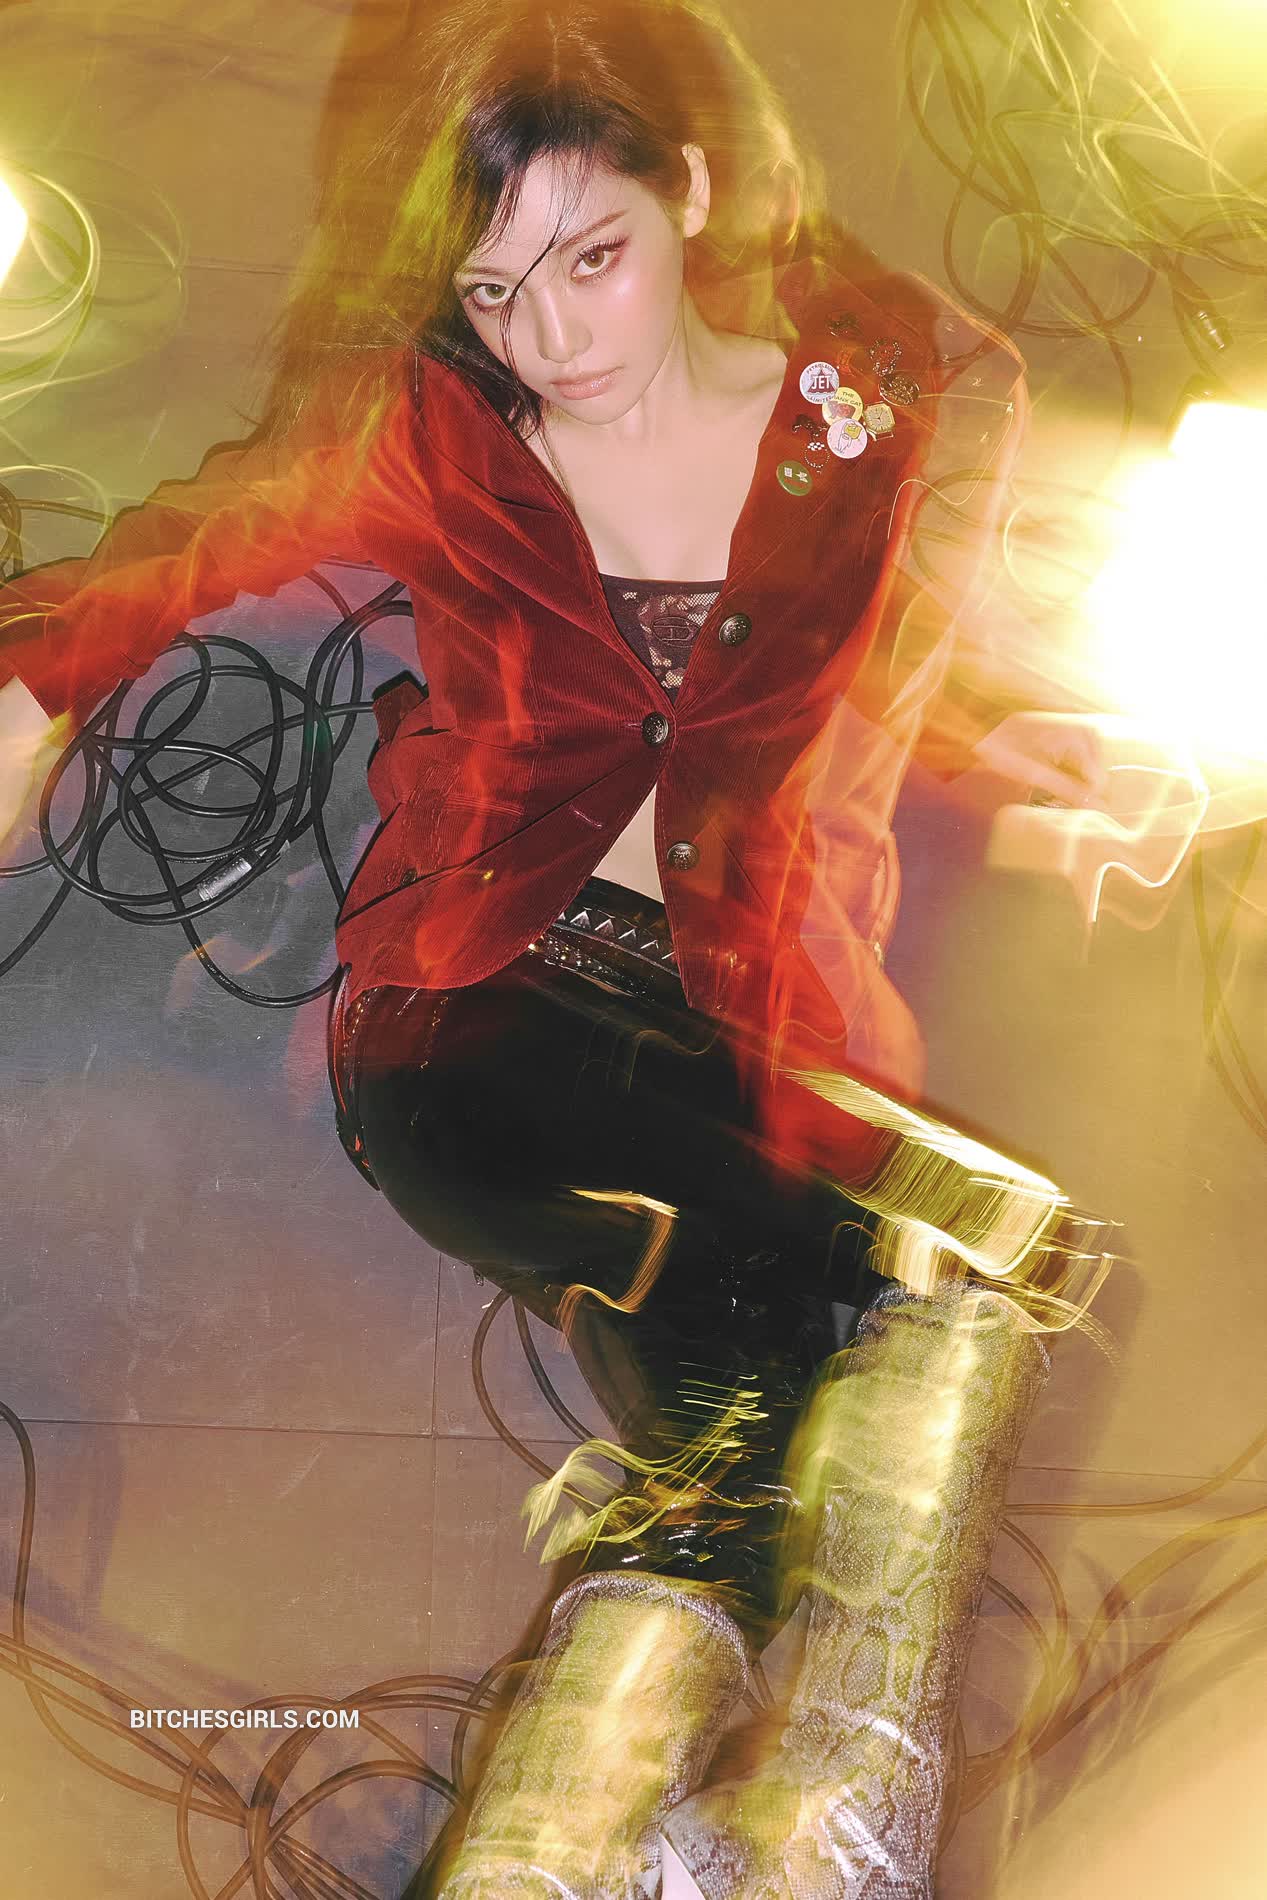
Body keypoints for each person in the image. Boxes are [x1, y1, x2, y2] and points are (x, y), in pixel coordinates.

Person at [0, 1, 1110, 1891]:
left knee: (746, 1467)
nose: (552, 341)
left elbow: (881, 652)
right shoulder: (439, 434)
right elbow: (192, 544)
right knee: (964, 1260)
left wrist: (1033, 752)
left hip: (740, 1041)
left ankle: (576, 1857)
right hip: (478, 1026)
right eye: (497, 291)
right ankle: (837, 1835)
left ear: (695, 194)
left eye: (594, 259)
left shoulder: (859, 406)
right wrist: (30, 688)